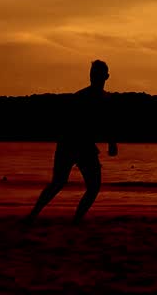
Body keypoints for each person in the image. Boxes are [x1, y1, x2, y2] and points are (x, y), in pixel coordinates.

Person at [25, 60, 119, 224]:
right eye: (93, 74)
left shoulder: (105, 99)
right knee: (59, 183)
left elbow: (109, 123)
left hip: (83, 145)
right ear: (90, 76)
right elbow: (67, 121)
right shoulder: (81, 97)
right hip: (70, 143)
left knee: (92, 186)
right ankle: (34, 215)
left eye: (97, 75)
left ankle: (75, 219)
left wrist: (112, 142)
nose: (94, 78)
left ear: (106, 77)